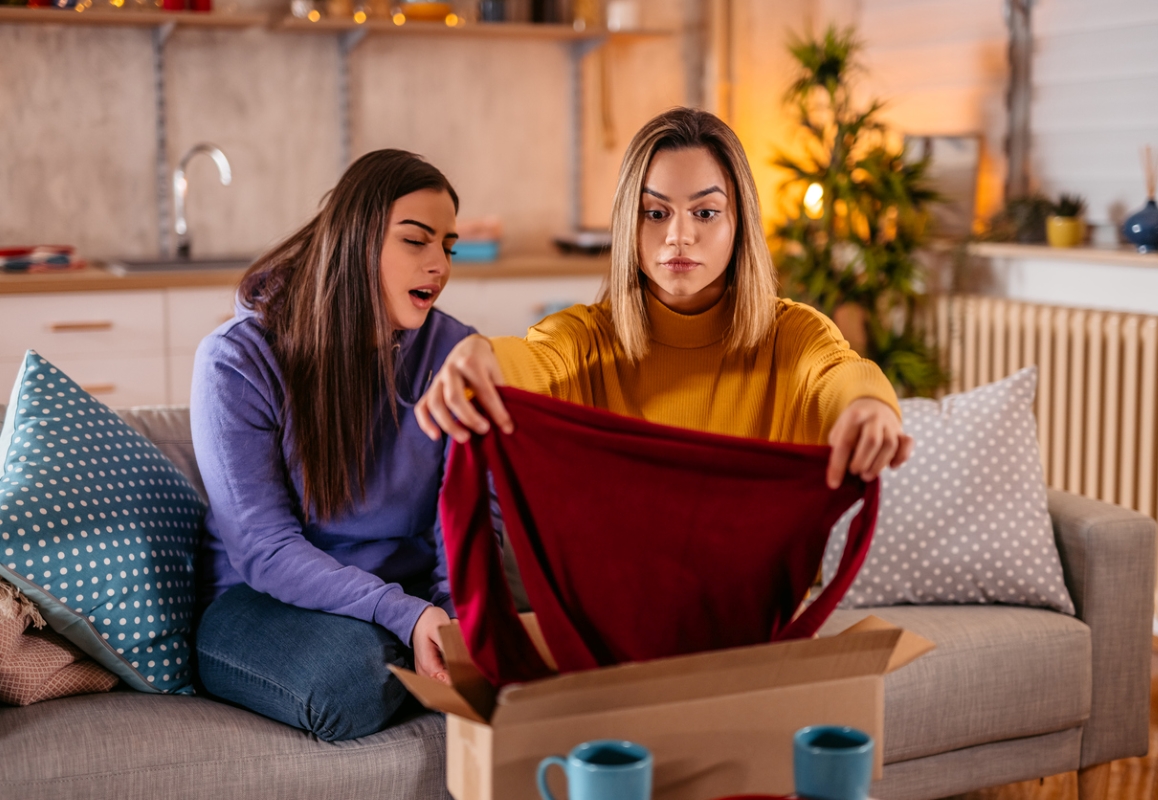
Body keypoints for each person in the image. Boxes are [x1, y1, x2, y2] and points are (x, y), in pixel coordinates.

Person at [414, 107, 913, 487]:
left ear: (741, 225)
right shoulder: (586, 338)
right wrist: (481, 355)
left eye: (705, 213)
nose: (678, 236)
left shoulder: (795, 335)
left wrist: (870, 407)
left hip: (761, 611)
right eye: (656, 213)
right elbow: (533, 358)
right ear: (629, 224)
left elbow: (843, 375)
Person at [191, 149, 470, 742]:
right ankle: (404, 654)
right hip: (262, 601)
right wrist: (409, 615)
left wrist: (454, 619)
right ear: (355, 239)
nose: (438, 266)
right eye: (416, 241)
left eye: (448, 246)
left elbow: (463, 521)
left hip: (403, 599)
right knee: (348, 678)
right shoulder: (237, 359)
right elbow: (264, 548)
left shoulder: (456, 353)